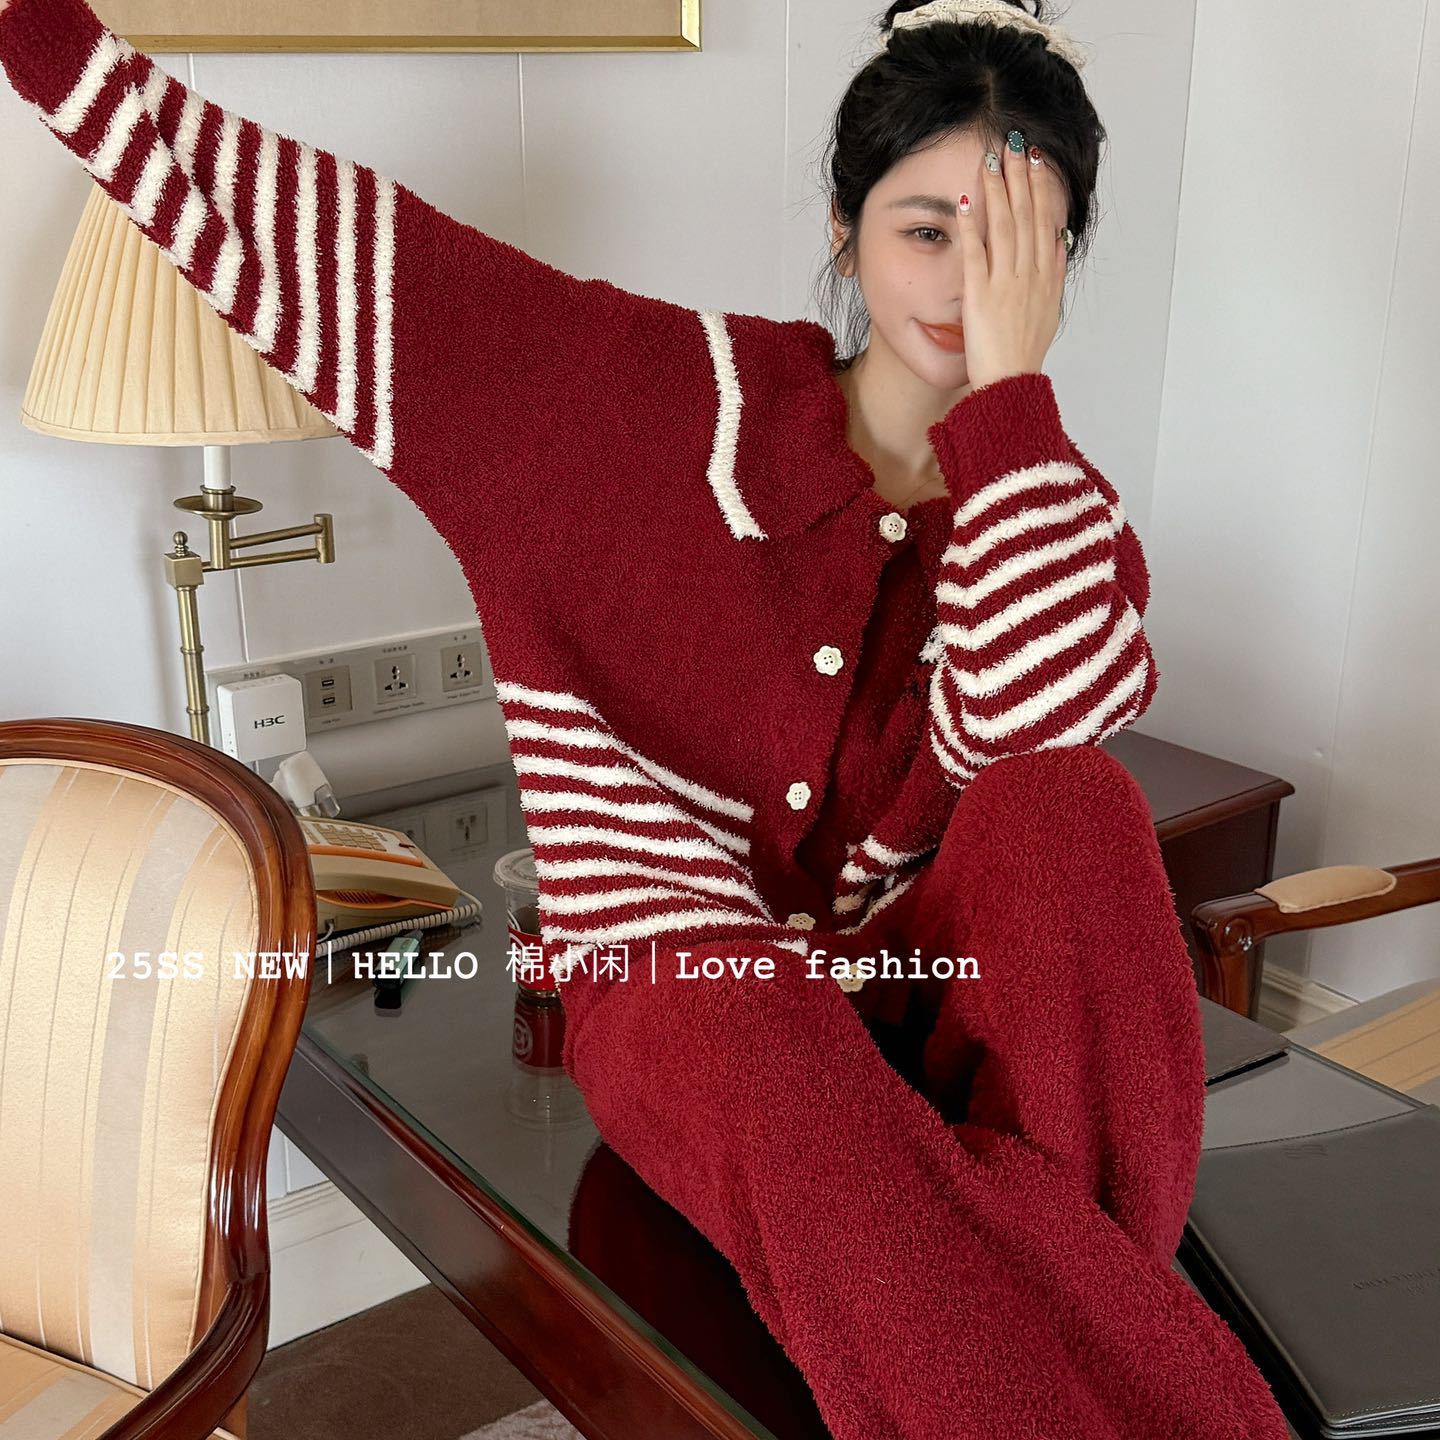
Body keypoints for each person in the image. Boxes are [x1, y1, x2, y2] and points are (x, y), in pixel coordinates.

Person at [0, 0, 1294, 1433]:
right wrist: (54, 49)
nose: (966, 285)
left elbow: (1037, 726)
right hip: (686, 990)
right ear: (845, 224)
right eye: (929, 229)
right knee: (761, 1026)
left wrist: (1011, 402)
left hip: (914, 976)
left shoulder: (1048, 500)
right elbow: (364, 268)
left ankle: (1051, 1361)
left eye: (1017, 246)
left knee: (1077, 807)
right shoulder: (642, 403)